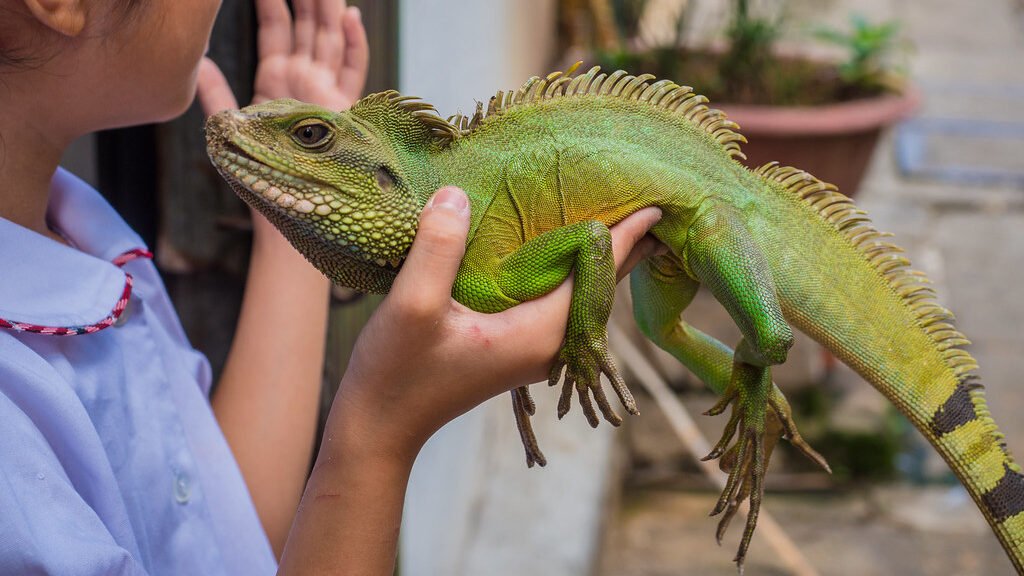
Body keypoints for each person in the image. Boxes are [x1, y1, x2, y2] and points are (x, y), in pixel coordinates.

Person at [0, 0, 663, 574]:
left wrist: (301, 206)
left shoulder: (89, 236)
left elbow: (223, 530)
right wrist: (379, 430)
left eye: (312, 136)